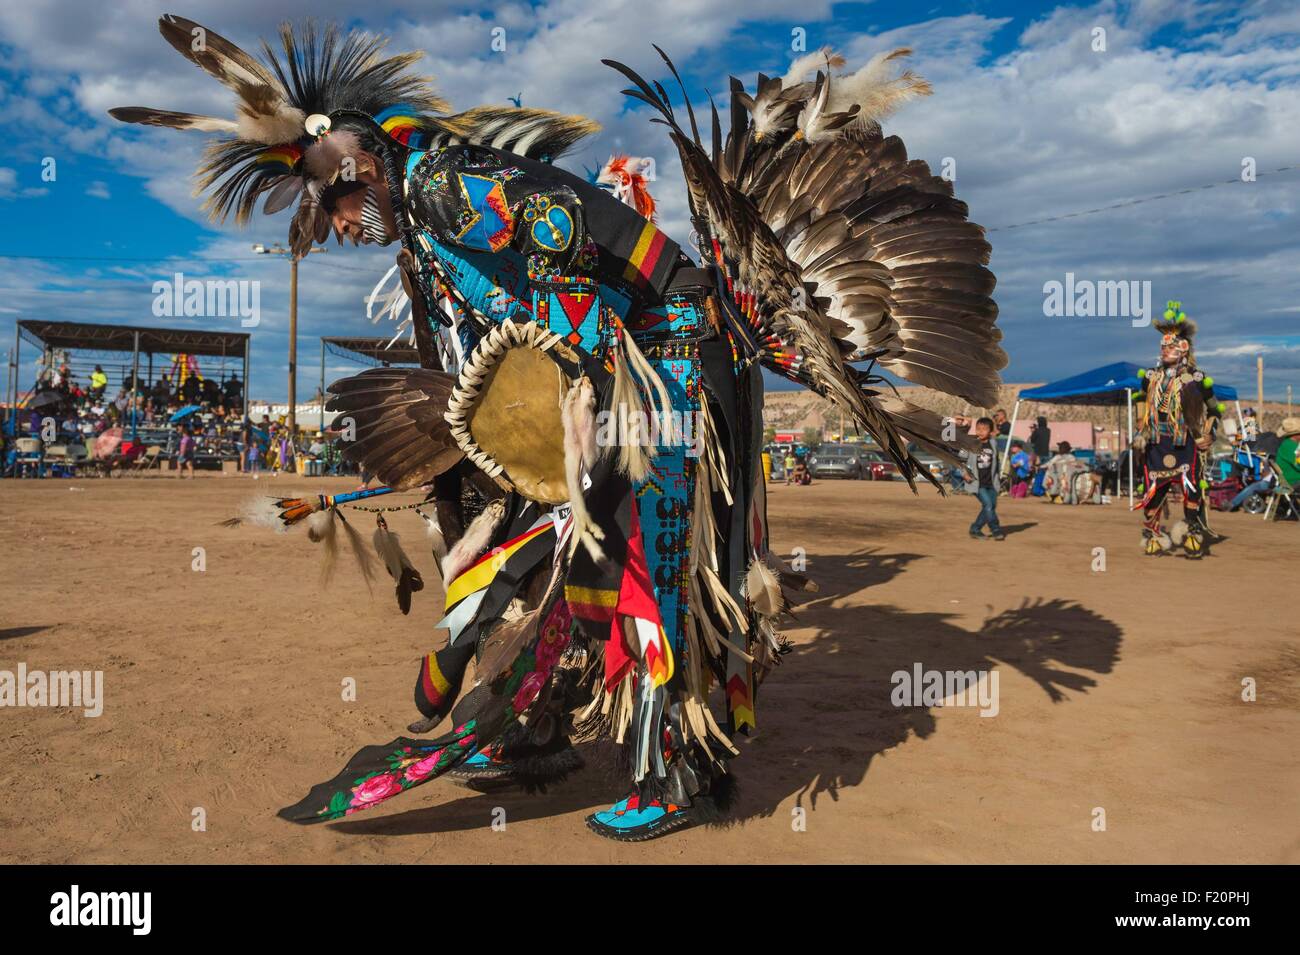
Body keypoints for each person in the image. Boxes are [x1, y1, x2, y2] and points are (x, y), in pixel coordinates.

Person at [116, 15, 1005, 841]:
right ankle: (536, 725)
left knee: (649, 565)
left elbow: (572, 232)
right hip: (631, 362)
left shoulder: (444, 186)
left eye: (331, 206)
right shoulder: (427, 211)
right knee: (553, 545)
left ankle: (677, 778)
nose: (340, 228)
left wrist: (575, 386)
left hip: (670, 356)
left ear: (350, 164)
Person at [1134, 300, 1219, 557]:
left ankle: (1192, 533)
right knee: (1154, 490)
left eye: (1170, 346)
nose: (1164, 350)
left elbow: (1214, 410)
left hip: (1186, 443)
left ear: (1183, 349)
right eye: (1163, 346)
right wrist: (1141, 429)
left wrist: (1208, 435)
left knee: (1192, 487)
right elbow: (1141, 403)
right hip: (1156, 442)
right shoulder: (1150, 377)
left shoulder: (1197, 378)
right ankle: (1152, 535)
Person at [965, 417, 1005, 539]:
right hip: (977, 483)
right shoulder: (971, 443)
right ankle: (996, 529)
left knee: (990, 506)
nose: (980, 432)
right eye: (978, 429)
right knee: (988, 505)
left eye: (984, 429)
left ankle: (975, 529)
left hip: (992, 482)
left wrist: (999, 477)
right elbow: (961, 459)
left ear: (990, 431)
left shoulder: (993, 443)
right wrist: (964, 473)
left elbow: (996, 461)